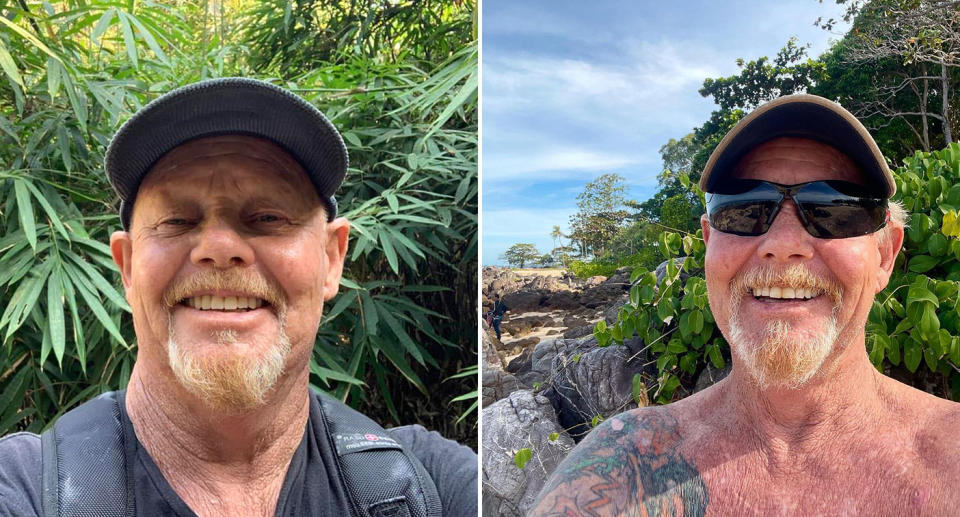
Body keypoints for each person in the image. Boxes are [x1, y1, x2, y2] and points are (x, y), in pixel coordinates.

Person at [0, 77, 476, 517]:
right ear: (126, 267)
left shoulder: (428, 486)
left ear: (332, 259)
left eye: (268, 218)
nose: (220, 249)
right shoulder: (24, 490)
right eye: (177, 221)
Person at [530, 94, 960, 516]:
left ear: (885, 255)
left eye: (835, 209)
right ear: (708, 245)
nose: (783, 245)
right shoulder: (623, 469)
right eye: (744, 210)